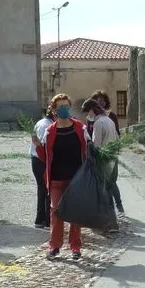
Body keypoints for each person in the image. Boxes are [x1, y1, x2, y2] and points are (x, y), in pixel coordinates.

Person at [38, 93, 88, 260]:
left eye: (66, 106)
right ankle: (55, 246)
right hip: (56, 179)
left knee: (75, 213)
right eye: (60, 107)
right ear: (54, 110)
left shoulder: (80, 128)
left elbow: (87, 152)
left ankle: (75, 247)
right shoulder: (49, 131)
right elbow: (45, 157)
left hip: (76, 179)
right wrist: (38, 147)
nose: (64, 109)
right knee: (56, 211)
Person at [82, 98, 124, 215]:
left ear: (91, 110)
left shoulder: (98, 123)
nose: (87, 115)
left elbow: (96, 145)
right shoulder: (108, 120)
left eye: (87, 112)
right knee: (112, 183)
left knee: (105, 186)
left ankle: (109, 213)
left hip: (104, 159)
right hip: (112, 156)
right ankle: (119, 207)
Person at [29, 108, 54, 229]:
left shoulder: (41, 122)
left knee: (42, 189)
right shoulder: (47, 125)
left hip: (36, 158)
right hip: (40, 159)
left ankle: (40, 220)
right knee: (47, 190)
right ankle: (47, 221)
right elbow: (43, 145)